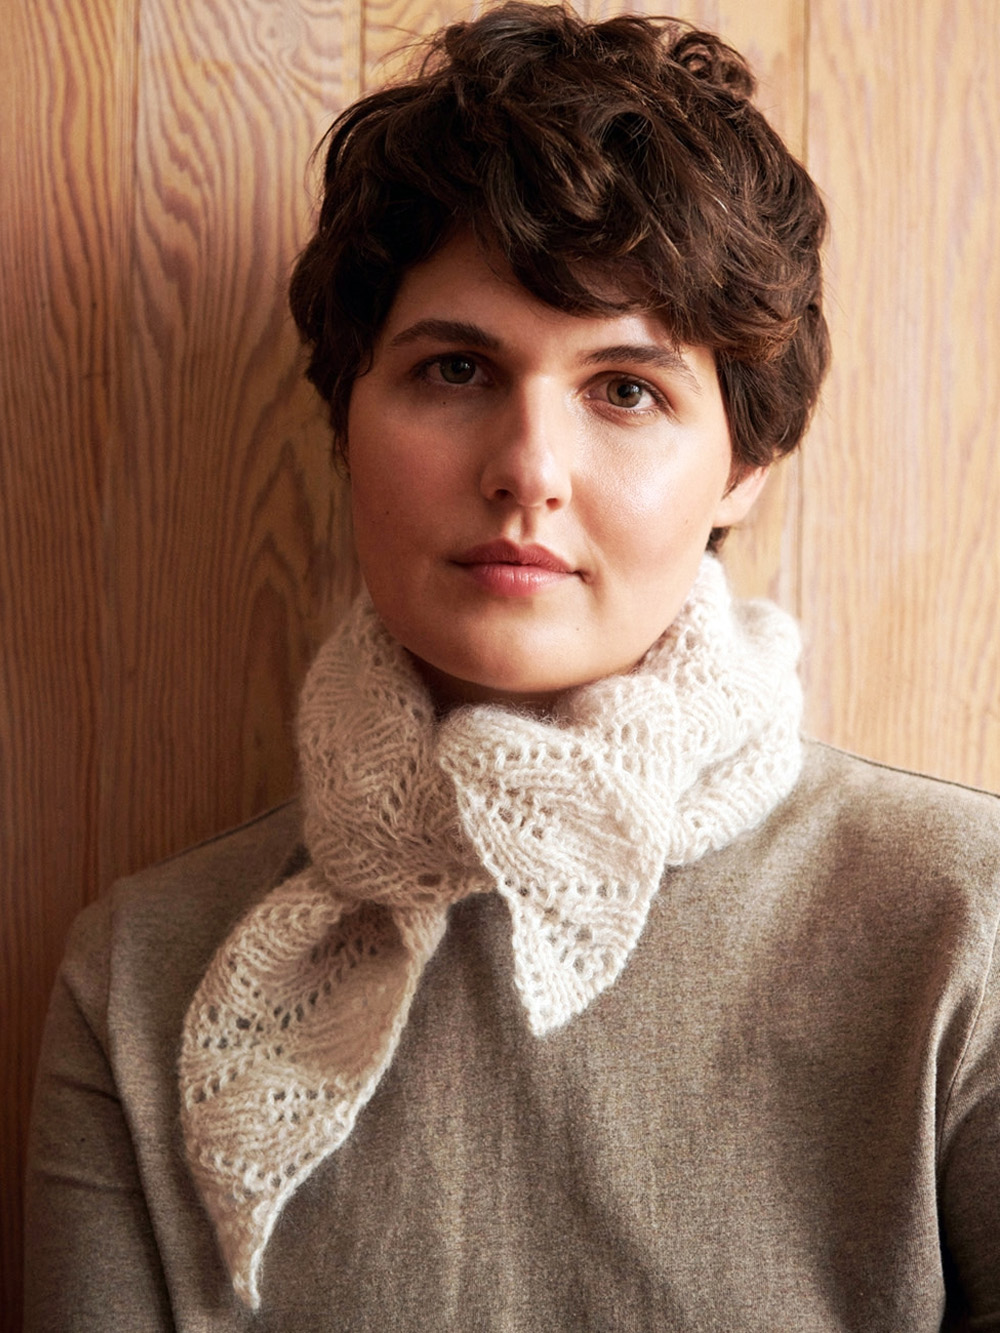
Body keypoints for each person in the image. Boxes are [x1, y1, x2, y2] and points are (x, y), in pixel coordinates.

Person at [24, 5, 1000, 1330]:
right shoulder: (144, 975)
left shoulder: (962, 925)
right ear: (346, 417)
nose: (528, 469)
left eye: (627, 389)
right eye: (456, 368)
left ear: (747, 462)